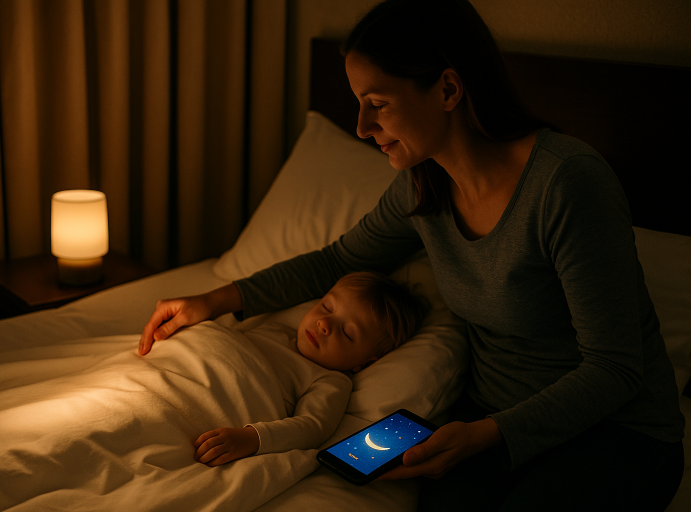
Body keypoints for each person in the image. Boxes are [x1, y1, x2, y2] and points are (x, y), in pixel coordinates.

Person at [141, 0, 685, 509]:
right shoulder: (423, 187)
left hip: (614, 430)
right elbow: (336, 261)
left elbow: (614, 369)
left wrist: (486, 436)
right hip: (487, 422)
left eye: (376, 105)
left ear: (448, 88)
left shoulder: (566, 184)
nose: (361, 128)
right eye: (358, 105)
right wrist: (214, 299)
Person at [143, 271, 425, 467]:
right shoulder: (277, 330)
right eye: (326, 306)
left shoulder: (331, 381)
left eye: (348, 333)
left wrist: (252, 438)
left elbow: (312, 427)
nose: (324, 324)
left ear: (365, 362)